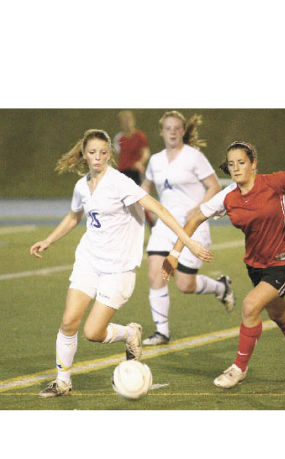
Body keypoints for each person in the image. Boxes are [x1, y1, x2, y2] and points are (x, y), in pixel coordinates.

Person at [30, 129, 213, 398]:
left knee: (93, 332)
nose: (98, 157)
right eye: (92, 152)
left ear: (109, 154)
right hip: (89, 261)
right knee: (69, 321)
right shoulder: (82, 186)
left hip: (118, 269)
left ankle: (129, 333)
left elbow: (160, 209)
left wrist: (188, 240)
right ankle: (63, 381)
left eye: (103, 152)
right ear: (84, 154)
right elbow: (73, 217)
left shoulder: (121, 183)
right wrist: (49, 240)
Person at [162, 140, 285, 388]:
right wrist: (175, 253)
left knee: (250, 305)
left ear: (253, 164)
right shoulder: (227, 197)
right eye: (232, 164)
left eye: (242, 163)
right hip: (256, 265)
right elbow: (194, 220)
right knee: (277, 313)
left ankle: (238, 368)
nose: (236, 168)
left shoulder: (272, 182)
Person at [141, 110, 235, 346]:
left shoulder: (194, 157)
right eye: (168, 128)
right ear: (161, 132)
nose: (172, 132)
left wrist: (199, 208)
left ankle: (220, 287)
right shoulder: (155, 160)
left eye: (177, 128)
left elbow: (213, 186)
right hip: (165, 226)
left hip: (193, 226)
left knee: (185, 285)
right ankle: (162, 332)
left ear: (183, 131)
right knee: (155, 274)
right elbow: (145, 189)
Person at [113, 110, 154, 227]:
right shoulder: (118, 138)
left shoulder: (140, 136)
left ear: (133, 121)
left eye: (129, 120)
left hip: (135, 172)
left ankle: (152, 224)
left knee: (140, 200)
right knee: (120, 203)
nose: (127, 123)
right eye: (124, 121)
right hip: (122, 173)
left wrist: (140, 162)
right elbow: (116, 156)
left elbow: (146, 152)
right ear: (120, 123)